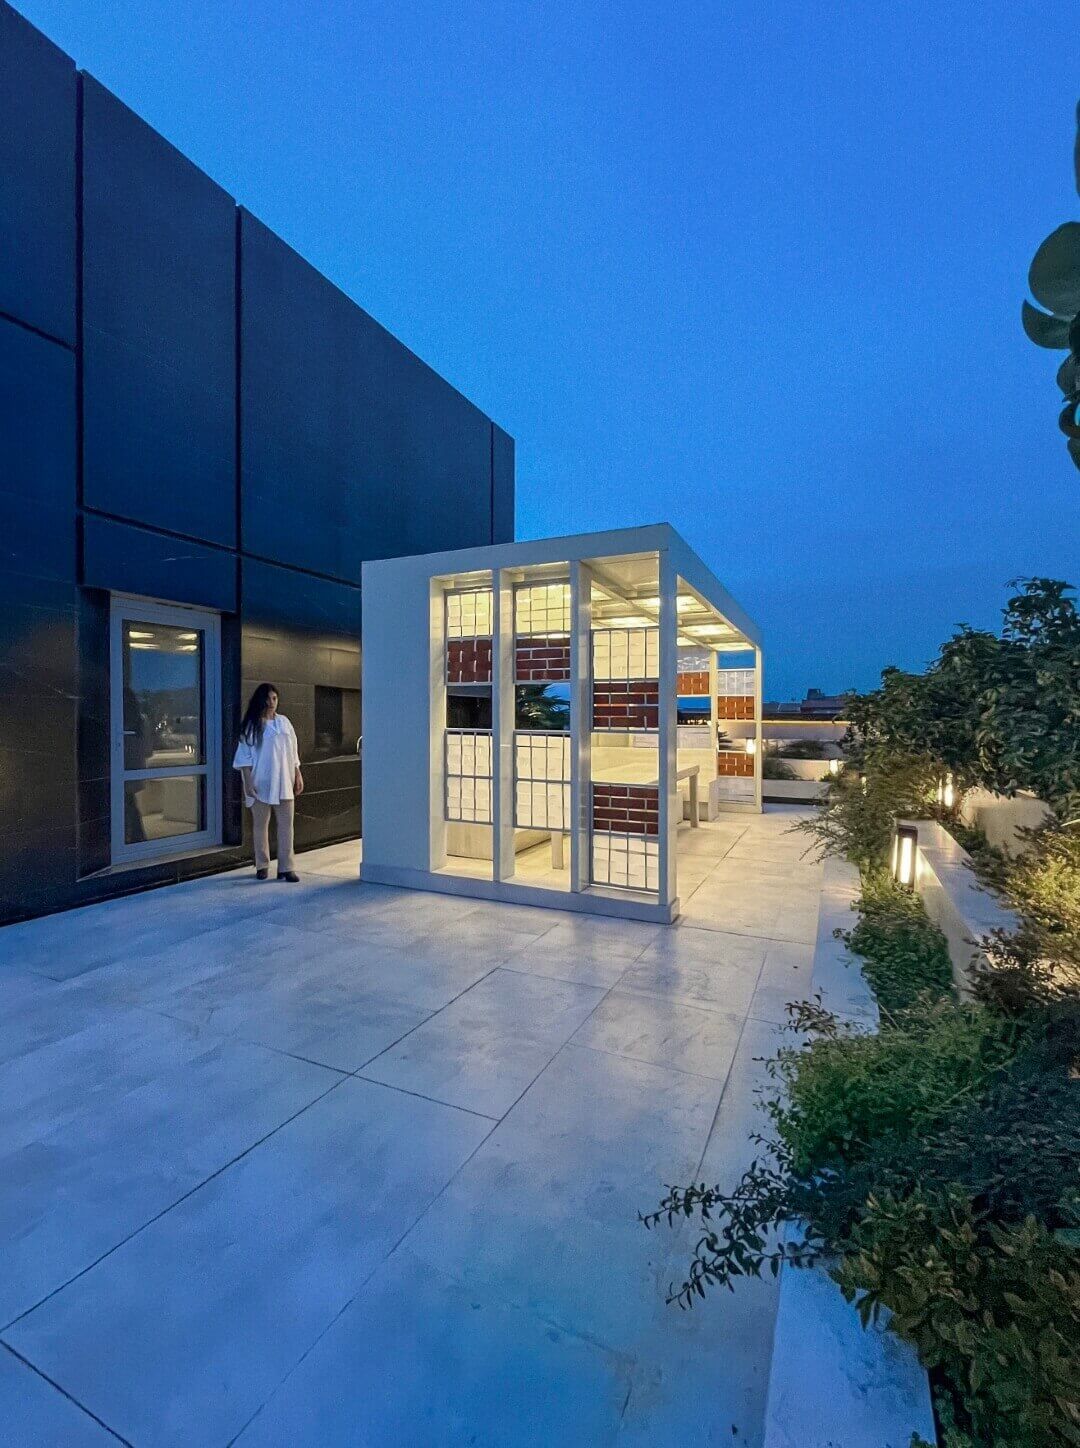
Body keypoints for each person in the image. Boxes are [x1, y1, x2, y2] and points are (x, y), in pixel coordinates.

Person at [233, 683, 304, 881]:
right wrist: (248, 782)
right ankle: (262, 865)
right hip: (260, 782)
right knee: (260, 825)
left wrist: (297, 774)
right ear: (260, 701)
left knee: (286, 825)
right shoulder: (251, 725)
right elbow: (244, 757)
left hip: (284, 781)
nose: (271, 703)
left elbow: (293, 751)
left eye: (274, 698)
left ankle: (286, 867)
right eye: (268, 699)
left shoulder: (284, 723)